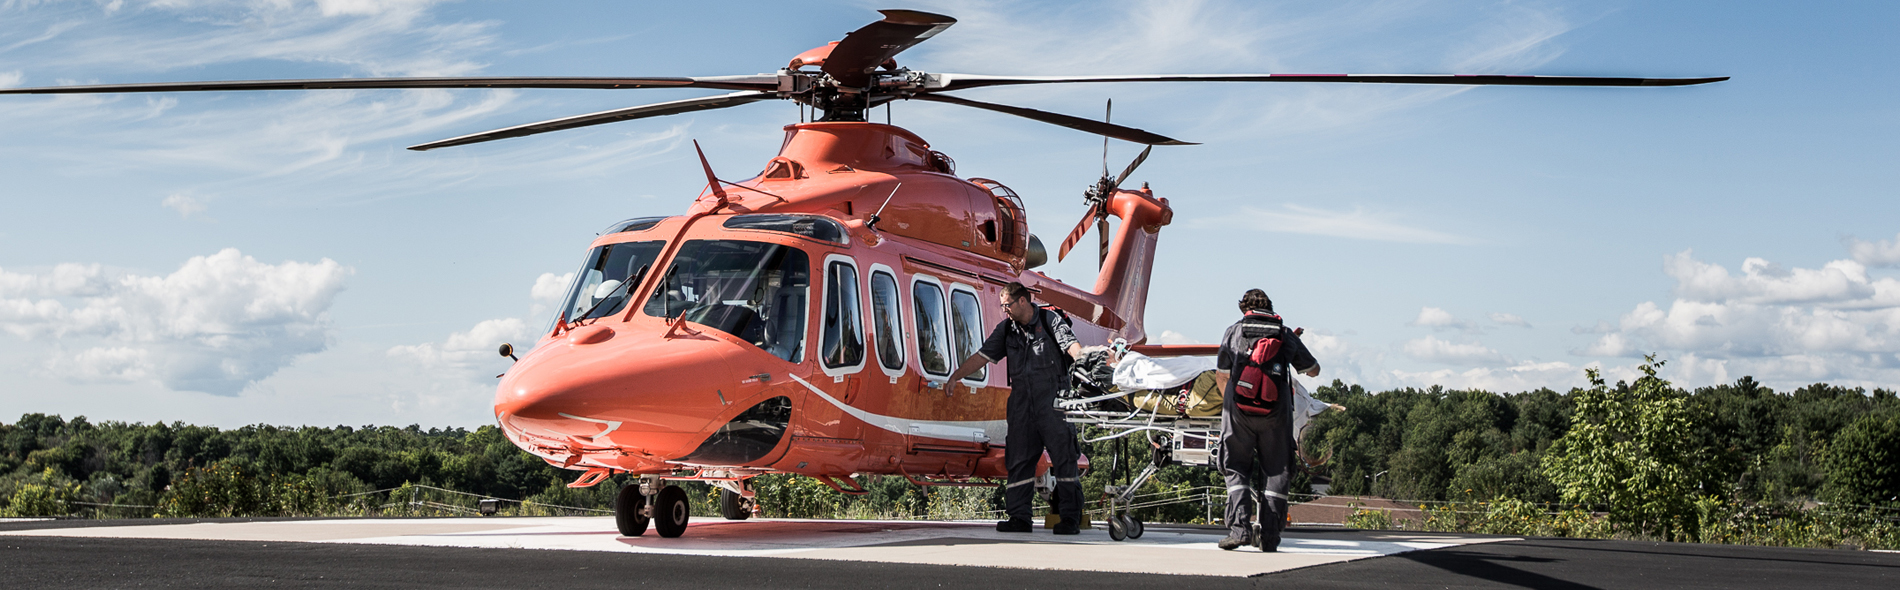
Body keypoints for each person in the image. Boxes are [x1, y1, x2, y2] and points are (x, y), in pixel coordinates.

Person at [933, 282, 1084, 534]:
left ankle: (1069, 517)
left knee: (1064, 460)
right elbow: (982, 355)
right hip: (1022, 406)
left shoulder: (1050, 321)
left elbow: (1071, 346)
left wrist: (1086, 362)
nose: (1005, 310)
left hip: (1054, 404)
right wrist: (956, 376)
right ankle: (1019, 517)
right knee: (1019, 461)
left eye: (1007, 305)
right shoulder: (1007, 330)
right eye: (1003, 306)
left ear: (1022, 301)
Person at [1212, 289, 1320, 552]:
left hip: (1238, 413)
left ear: (1244, 308)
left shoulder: (1233, 332)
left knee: (1236, 467)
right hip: (1276, 414)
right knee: (1277, 469)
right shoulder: (1285, 334)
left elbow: (1222, 375)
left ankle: (1239, 530)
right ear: (1270, 307)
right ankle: (1270, 536)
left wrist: (1234, 405)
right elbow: (1314, 370)